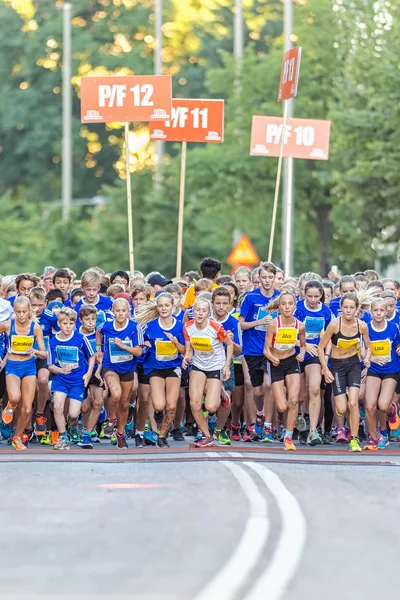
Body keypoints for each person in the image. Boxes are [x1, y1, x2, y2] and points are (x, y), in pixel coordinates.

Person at [318, 292, 371, 452]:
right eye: (345, 307)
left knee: (353, 403)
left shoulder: (362, 326)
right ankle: (347, 400)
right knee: (341, 409)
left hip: (353, 365)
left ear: (357, 309)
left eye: (351, 308)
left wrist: (367, 359)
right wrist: (325, 369)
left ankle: (354, 440)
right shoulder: (335, 325)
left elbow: (369, 346)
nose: (348, 310)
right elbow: (321, 347)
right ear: (341, 308)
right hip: (337, 366)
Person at [137, 292, 185, 448]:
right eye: (161, 305)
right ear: (156, 307)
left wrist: (175, 343)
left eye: (167, 305)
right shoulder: (150, 326)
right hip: (155, 367)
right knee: (158, 405)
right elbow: (140, 343)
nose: (164, 308)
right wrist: (145, 345)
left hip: (173, 367)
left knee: (171, 405)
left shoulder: (180, 326)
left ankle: (162, 435)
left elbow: (185, 351)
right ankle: (158, 414)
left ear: (173, 306)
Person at [183, 297, 233, 447]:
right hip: (198, 365)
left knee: (211, 407)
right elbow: (188, 348)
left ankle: (221, 393)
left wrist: (226, 366)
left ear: (208, 312)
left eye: (204, 311)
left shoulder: (215, 327)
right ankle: (206, 435)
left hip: (215, 366)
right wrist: (187, 357)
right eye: (197, 310)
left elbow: (229, 345)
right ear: (193, 311)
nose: (200, 313)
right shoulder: (187, 327)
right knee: (195, 402)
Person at [239, 262, 280, 442]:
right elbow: (241, 323)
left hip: (272, 349)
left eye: (270, 277)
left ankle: (268, 427)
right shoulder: (250, 298)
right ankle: (260, 412)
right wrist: (260, 322)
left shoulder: (280, 298)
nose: (267, 281)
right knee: (256, 391)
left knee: (269, 385)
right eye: (264, 277)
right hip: (252, 349)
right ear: (259, 278)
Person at [0, 297, 47, 450]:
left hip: (29, 367)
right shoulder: (8, 325)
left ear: (29, 311)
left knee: (27, 408)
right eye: (18, 312)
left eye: (24, 312)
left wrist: (35, 351)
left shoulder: (35, 328)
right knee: (14, 397)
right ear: (14, 311)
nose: (21, 315)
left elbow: (44, 354)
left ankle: (17, 437)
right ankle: (11, 405)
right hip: (12, 366)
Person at [96, 298, 143, 449]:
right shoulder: (106, 326)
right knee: (115, 393)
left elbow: (138, 352)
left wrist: (124, 346)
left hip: (128, 368)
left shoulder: (135, 327)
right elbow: (98, 331)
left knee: (124, 403)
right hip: (110, 366)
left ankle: (120, 433)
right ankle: (111, 419)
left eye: (124, 310)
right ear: (113, 311)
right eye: (118, 310)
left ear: (128, 311)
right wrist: (98, 348)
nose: (121, 313)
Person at [264, 291, 306, 451]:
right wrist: (272, 358)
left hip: (291, 362)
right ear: (279, 306)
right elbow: (266, 349)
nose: (287, 307)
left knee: (293, 401)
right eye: (284, 304)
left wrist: (301, 354)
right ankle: (283, 420)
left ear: (295, 306)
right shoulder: (274, 324)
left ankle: (288, 437)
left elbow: (303, 345)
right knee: (282, 406)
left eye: (290, 304)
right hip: (275, 363)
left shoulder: (300, 326)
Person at [48, 308, 95, 450]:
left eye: (71, 323)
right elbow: (50, 365)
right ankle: (63, 437)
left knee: (73, 414)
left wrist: (88, 374)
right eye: (65, 323)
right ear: (59, 324)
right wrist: (61, 370)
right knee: (57, 407)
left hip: (77, 381)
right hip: (61, 379)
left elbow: (92, 356)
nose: (68, 326)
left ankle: (72, 424)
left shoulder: (80, 338)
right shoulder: (54, 341)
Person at [294, 280, 333, 445]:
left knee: (315, 389)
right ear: (304, 294)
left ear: (321, 296)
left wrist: (326, 356)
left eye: (316, 296)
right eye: (309, 296)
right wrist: (304, 344)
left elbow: (329, 335)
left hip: (316, 353)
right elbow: (286, 334)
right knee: (301, 395)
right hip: (297, 352)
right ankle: (301, 421)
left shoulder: (325, 311)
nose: (312, 299)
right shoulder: (297, 308)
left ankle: (313, 431)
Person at [364, 298, 400, 451]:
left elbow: (397, 342)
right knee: (371, 406)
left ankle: (393, 410)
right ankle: (374, 438)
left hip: (391, 369)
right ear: (371, 312)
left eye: (381, 310)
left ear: (386, 312)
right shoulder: (365, 328)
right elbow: (360, 350)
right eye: (375, 310)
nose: (378, 313)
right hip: (374, 369)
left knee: (383, 405)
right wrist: (371, 358)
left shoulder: (394, 327)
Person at [211, 287, 242, 445]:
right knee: (211, 400)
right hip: (207, 362)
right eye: (218, 303)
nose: (221, 307)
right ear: (212, 304)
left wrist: (231, 341)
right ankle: (206, 424)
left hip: (226, 363)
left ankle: (218, 429)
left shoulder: (233, 322)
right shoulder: (206, 319)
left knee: (227, 398)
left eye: (225, 303)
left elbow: (239, 351)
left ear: (230, 304)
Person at [29, 286, 59, 437]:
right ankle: (26, 426)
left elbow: (59, 335)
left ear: (46, 303)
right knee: (30, 389)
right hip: (26, 356)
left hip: (44, 356)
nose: (36, 309)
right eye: (33, 305)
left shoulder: (51, 316)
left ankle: (40, 414)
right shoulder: (23, 315)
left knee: (42, 380)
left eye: (40, 305)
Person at [78, 304, 104, 449]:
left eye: (93, 319)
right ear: (81, 319)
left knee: (98, 402)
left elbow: (101, 355)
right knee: (84, 407)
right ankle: (78, 426)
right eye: (87, 319)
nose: (91, 322)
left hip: (96, 372)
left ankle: (87, 434)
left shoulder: (99, 334)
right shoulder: (76, 334)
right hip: (80, 373)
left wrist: (98, 372)